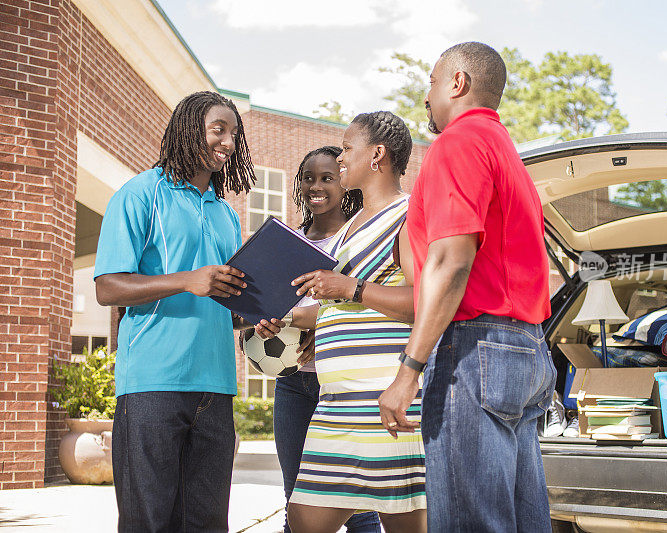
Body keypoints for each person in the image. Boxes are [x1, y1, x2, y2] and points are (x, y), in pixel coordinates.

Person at [378, 42, 556, 532]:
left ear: (457, 83)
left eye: (432, 82)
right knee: (521, 521)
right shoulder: (507, 153)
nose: (427, 95)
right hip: (526, 348)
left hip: (474, 350)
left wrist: (408, 370)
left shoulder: (457, 143)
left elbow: (451, 260)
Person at [255, 111, 426, 533]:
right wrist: (297, 321)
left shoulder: (409, 215)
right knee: (303, 517)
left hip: (384, 401)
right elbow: (342, 304)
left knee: (402, 523)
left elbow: (425, 303)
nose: (342, 156)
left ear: (377, 155)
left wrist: (349, 287)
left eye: (348, 148)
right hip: (336, 405)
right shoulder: (351, 227)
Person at [94, 91, 254, 532]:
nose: (227, 143)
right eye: (218, 130)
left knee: (206, 523)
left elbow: (222, 298)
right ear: (187, 130)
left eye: (234, 134)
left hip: (216, 386)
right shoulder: (140, 193)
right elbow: (108, 287)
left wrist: (256, 314)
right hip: (152, 383)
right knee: (148, 521)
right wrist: (187, 279)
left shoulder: (225, 213)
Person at [272, 146, 380, 533]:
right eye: (309, 178)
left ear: (344, 183)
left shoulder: (359, 238)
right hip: (292, 382)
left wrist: (312, 323)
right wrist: (262, 325)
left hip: (343, 382)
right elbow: (272, 306)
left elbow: (366, 304)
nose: (316, 187)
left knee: (359, 502)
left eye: (327, 178)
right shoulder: (286, 241)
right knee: (296, 500)